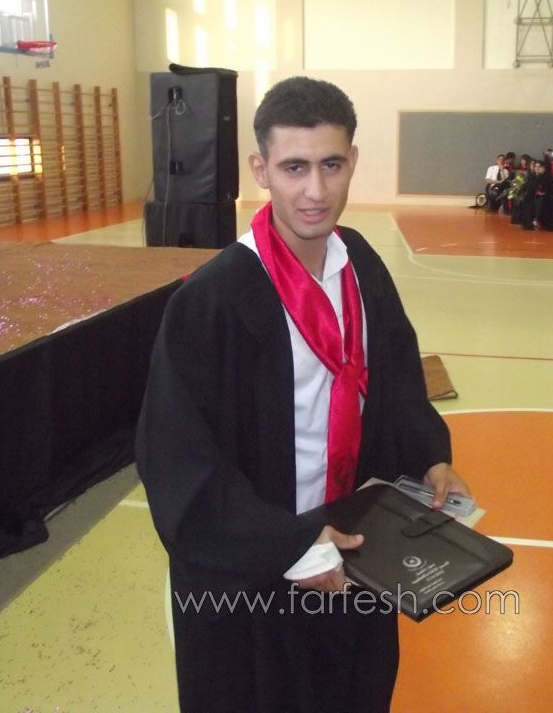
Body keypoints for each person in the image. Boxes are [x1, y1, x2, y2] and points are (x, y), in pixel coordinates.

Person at [135, 76, 470, 713]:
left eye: (331, 165)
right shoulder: (212, 301)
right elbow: (178, 458)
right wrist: (288, 544)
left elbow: (396, 376)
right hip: (259, 567)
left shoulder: (360, 264)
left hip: (355, 547)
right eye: (294, 168)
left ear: (353, 163)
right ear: (260, 169)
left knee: (351, 690)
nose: (315, 191)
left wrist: (429, 454)